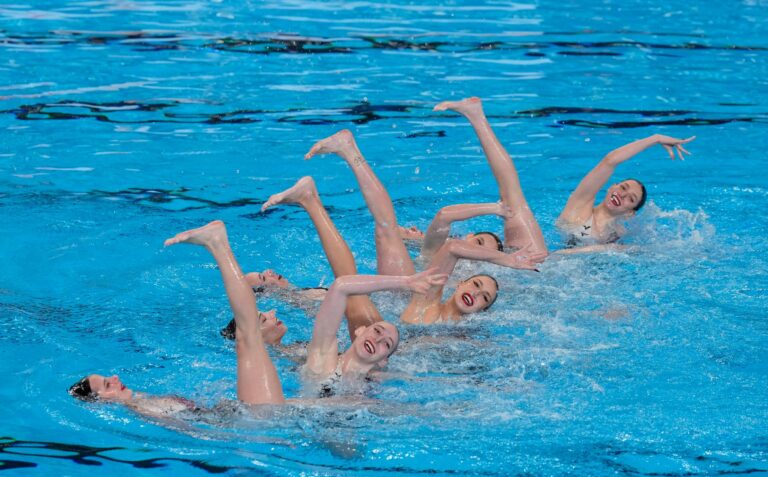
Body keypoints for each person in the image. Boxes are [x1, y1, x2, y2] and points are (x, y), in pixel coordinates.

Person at [69, 221, 446, 408]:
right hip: (269, 419)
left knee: (193, 406)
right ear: (361, 332)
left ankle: (122, 398)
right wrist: (407, 280)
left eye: (386, 343)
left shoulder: (374, 391)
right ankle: (218, 245)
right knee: (248, 335)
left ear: (384, 358)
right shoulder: (323, 356)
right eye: (379, 330)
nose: (378, 339)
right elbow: (342, 285)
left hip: (270, 426)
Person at [285, 128, 543, 324]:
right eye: (476, 286)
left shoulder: (462, 331)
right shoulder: (430, 297)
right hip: (396, 294)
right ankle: (347, 156)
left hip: (385, 312)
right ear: (462, 282)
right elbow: (452, 244)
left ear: (482, 312)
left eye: (483, 298)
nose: (476, 295)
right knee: (384, 233)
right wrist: (507, 259)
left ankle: (310, 198)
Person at [394, 96, 549, 261]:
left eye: (482, 247)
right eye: (479, 242)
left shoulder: (439, 259)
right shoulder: (437, 255)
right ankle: (476, 116)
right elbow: (444, 216)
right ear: (466, 237)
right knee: (513, 203)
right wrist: (496, 208)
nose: (476, 249)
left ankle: (475, 115)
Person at [557, 134, 695, 247]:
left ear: (629, 213)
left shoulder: (618, 234)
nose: (622, 195)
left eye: (631, 199)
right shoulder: (579, 206)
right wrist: (656, 138)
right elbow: (610, 161)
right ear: (612, 187)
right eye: (623, 187)